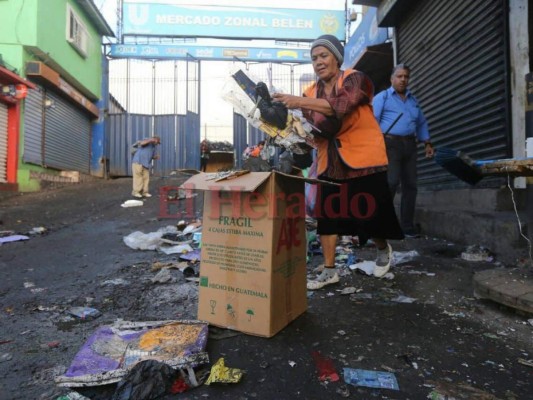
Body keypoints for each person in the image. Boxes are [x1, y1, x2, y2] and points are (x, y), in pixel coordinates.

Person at [272, 35, 404, 289]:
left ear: (336, 57)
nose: (318, 62)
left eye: (323, 56)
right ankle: (329, 271)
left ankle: (382, 248)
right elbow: (316, 129)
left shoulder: (356, 79)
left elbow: (341, 106)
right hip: (330, 161)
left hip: (363, 158)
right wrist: (287, 125)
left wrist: (297, 102)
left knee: (371, 215)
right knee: (328, 216)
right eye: (314, 58)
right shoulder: (310, 92)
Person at [372, 64, 435, 238]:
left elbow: (421, 123)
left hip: (410, 145)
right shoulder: (382, 97)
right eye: (399, 76)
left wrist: (427, 144)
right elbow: (372, 122)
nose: (402, 80)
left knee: (411, 186)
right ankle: (380, 225)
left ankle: (407, 227)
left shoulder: (413, 100)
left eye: (406, 76)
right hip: (390, 144)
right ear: (392, 79)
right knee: (391, 183)